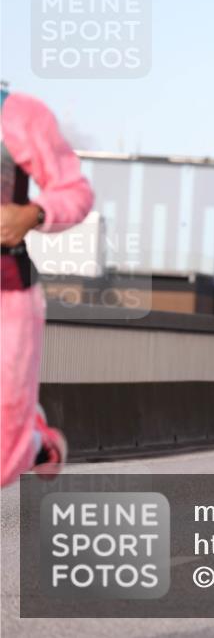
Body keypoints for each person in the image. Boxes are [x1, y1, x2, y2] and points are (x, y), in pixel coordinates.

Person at [1, 90, 93, 487]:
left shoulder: (18, 115)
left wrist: (33, 214)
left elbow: (74, 190)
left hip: (7, 296)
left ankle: (37, 442)